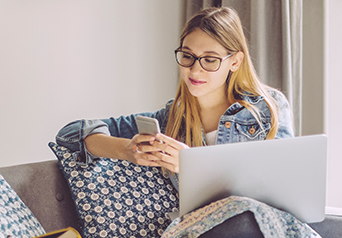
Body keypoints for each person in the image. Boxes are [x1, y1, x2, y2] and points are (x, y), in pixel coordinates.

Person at [56, 6, 320, 238]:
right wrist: (127, 151)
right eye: (187, 56)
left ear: (235, 61)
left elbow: (280, 192)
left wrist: (193, 164)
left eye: (210, 60)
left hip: (256, 225)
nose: (195, 70)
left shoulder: (266, 108)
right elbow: (72, 134)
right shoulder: (171, 119)